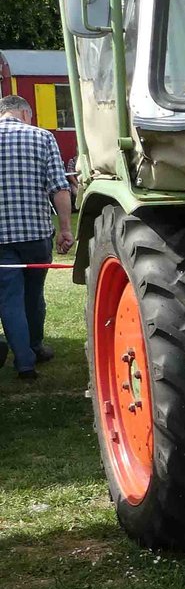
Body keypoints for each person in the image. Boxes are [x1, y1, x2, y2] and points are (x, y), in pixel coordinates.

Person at [0, 95, 74, 380]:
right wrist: (66, 229)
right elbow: (59, 187)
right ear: (24, 113)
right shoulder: (42, 138)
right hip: (35, 235)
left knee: (9, 299)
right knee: (34, 294)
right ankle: (35, 346)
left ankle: (25, 363)